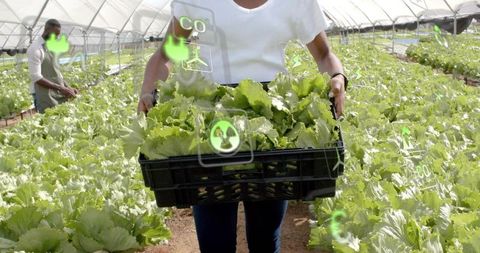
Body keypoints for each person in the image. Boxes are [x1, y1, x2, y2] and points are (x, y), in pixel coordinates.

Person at [138, 0, 347, 252]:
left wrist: (337, 76)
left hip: (272, 127)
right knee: (215, 241)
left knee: (265, 237)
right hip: (211, 128)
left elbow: (324, 54)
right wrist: (148, 90)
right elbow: (167, 53)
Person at [27, 19, 78, 113]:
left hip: (57, 93)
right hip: (44, 95)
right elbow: (36, 78)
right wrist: (61, 88)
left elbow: (57, 72)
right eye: (54, 35)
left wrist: (68, 87)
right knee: (48, 121)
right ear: (46, 30)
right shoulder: (35, 49)